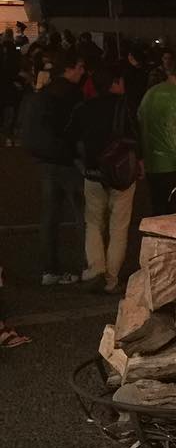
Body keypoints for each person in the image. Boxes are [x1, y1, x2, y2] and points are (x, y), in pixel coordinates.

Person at [68, 62, 141, 293]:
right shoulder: (125, 107)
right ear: (115, 83)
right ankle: (111, 278)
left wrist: (80, 161)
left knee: (93, 222)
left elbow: (69, 138)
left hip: (93, 173)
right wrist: (140, 162)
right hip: (122, 175)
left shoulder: (83, 108)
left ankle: (96, 268)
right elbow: (138, 138)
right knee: (119, 226)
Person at [22, 49, 86, 286]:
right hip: (69, 162)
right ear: (68, 68)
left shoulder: (45, 93)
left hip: (47, 162)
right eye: (79, 67)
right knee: (83, 215)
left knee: (50, 217)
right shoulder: (72, 94)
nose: (82, 71)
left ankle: (49, 269)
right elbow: (78, 129)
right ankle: (89, 265)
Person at [138, 55, 176, 216]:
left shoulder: (151, 92)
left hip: (151, 163)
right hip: (171, 164)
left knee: (157, 210)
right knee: (174, 213)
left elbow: (139, 121)